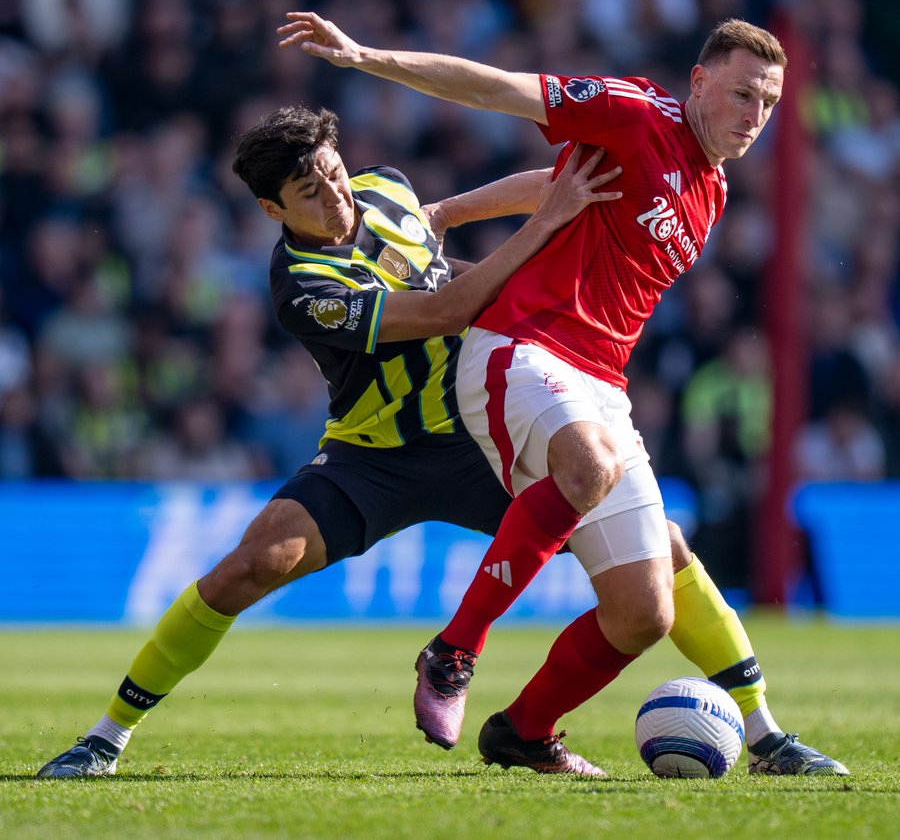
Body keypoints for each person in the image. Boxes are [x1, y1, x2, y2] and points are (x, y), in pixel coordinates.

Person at [278, 11, 849, 777]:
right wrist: (364, 55)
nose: (755, 117)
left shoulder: (709, 193)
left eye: (769, 104)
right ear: (699, 83)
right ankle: (453, 652)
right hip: (519, 349)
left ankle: (523, 730)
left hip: (601, 387)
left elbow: (554, 184)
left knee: (646, 611)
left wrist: (450, 213)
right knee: (589, 460)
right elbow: (496, 88)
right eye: (743, 94)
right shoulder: (636, 113)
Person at [35, 105, 620, 778]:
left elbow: (439, 264)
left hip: (479, 436)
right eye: (310, 193)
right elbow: (441, 310)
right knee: (250, 567)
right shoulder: (303, 289)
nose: (335, 198)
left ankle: (756, 723)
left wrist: (535, 204)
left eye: (336, 175)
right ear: (270, 209)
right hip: (373, 457)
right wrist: (545, 225)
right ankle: (106, 737)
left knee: (648, 545)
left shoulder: (387, 189)